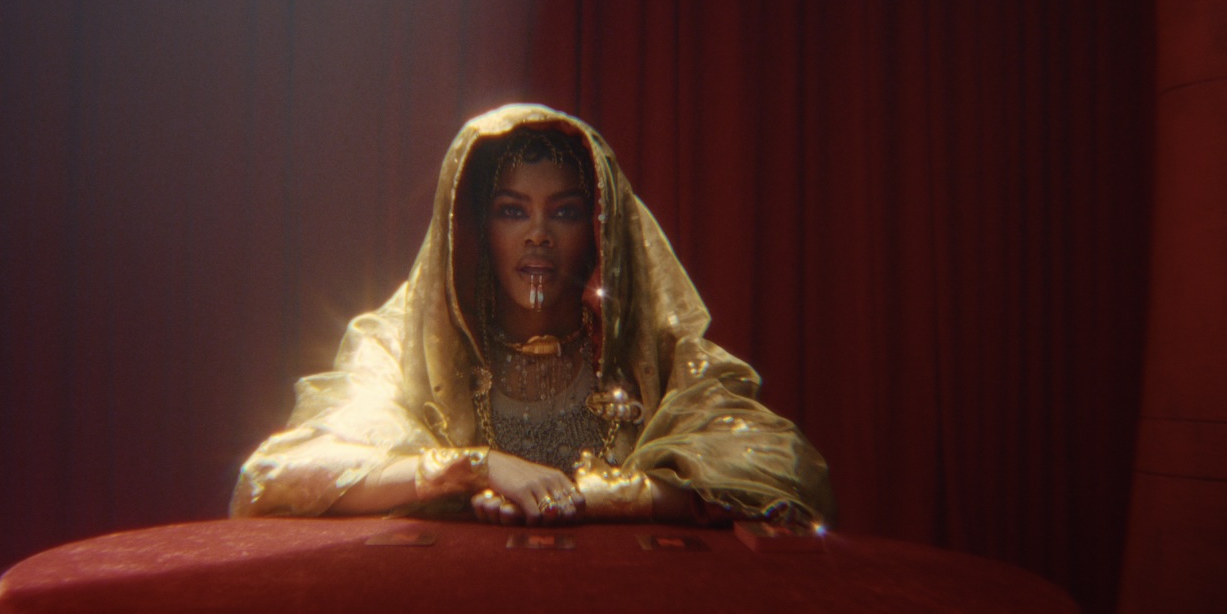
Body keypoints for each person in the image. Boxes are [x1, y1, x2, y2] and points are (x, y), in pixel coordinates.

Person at [230, 103, 833, 527]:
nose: (537, 235)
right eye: (513, 211)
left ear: (599, 232)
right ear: (475, 230)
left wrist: (596, 496)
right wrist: (477, 469)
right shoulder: (408, 347)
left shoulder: (649, 352)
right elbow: (279, 475)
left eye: (564, 212)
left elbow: (782, 471)